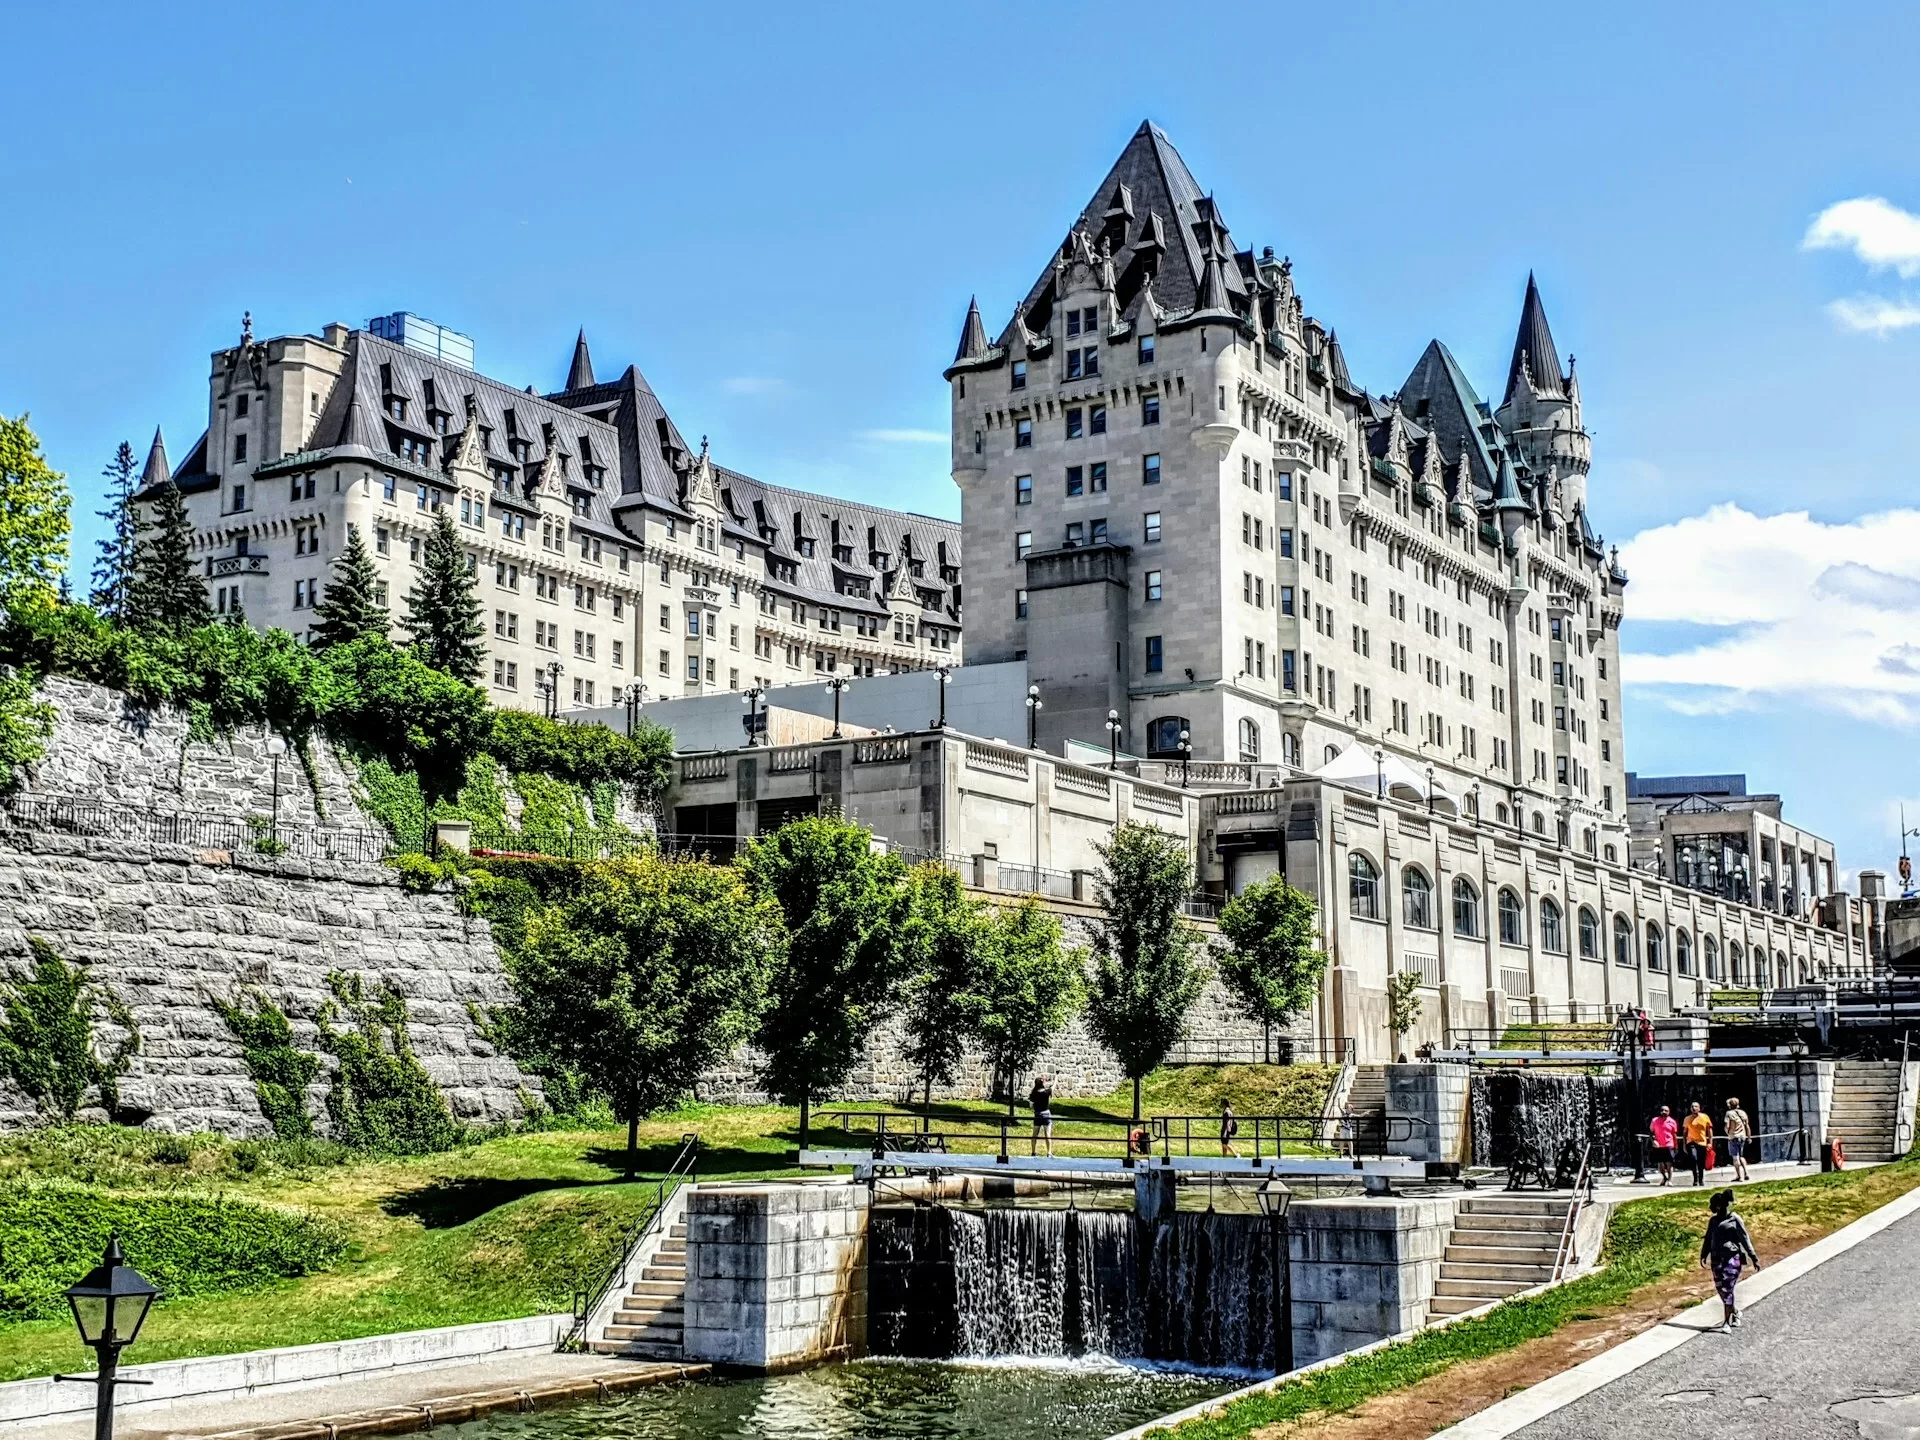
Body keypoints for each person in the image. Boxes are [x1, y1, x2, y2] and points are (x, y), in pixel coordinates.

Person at [1699, 1188, 1761, 1331]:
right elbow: (1709, 1238)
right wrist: (1704, 1254)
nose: (1710, 1208)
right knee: (1721, 1289)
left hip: (1732, 1259)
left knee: (1727, 1288)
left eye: (1712, 1205)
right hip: (1716, 1259)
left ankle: (1726, 1322)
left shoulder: (1735, 1219)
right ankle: (1735, 1312)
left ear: (1720, 1206)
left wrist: (1754, 1257)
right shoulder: (1713, 1221)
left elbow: (1745, 1239)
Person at [1683, 1101, 1715, 1186]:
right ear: (1690, 1108)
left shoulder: (1705, 1117)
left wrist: (1710, 1143)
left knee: (1701, 1162)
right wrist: (1684, 1144)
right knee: (1693, 1159)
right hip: (1691, 1142)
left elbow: (1709, 1130)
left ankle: (1701, 1180)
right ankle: (1695, 1179)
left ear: (1699, 1108)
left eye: (1696, 1106)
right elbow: (1685, 1132)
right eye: (1692, 1107)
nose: (1694, 1108)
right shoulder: (1687, 1119)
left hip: (1702, 1142)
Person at [1723, 1096, 1752, 1182]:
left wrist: (1728, 1133)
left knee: (1735, 1157)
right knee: (1741, 1156)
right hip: (1742, 1136)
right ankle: (1746, 1173)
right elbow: (1747, 1126)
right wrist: (1749, 1137)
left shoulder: (1729, 1113)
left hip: (1733, 1137)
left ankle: (1739, 1176)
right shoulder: (1743, 1113)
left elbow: (1727, 1125)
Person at [1650, 1105, 1680, 1184]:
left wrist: (1676, 1146)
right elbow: (1650, 1133)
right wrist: (1653, 1141)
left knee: (1669, 1164)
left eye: (1666, 1111)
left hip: (1669, 1144)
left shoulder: (1672, 1121)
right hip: (1659, 1145)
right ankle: (1664, 1177)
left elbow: (1674, 1135)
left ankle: (1670, 1180)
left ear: (1669, 1112)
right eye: (1662, 1110)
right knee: (1660, 1165)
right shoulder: (1654, 1121)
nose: (1664, 1112)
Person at [1028, 1074, 1054, 1157]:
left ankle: (1033, 1152)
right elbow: (1054, 1086)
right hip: (1046, 1114)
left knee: (1034, 1134)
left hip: (1037, 1114)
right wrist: (1056, 1077)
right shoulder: (1046, 1092)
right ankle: (1049, 1152)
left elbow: (1031, 1105)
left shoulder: (1034, 1093)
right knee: (1047, 1134)